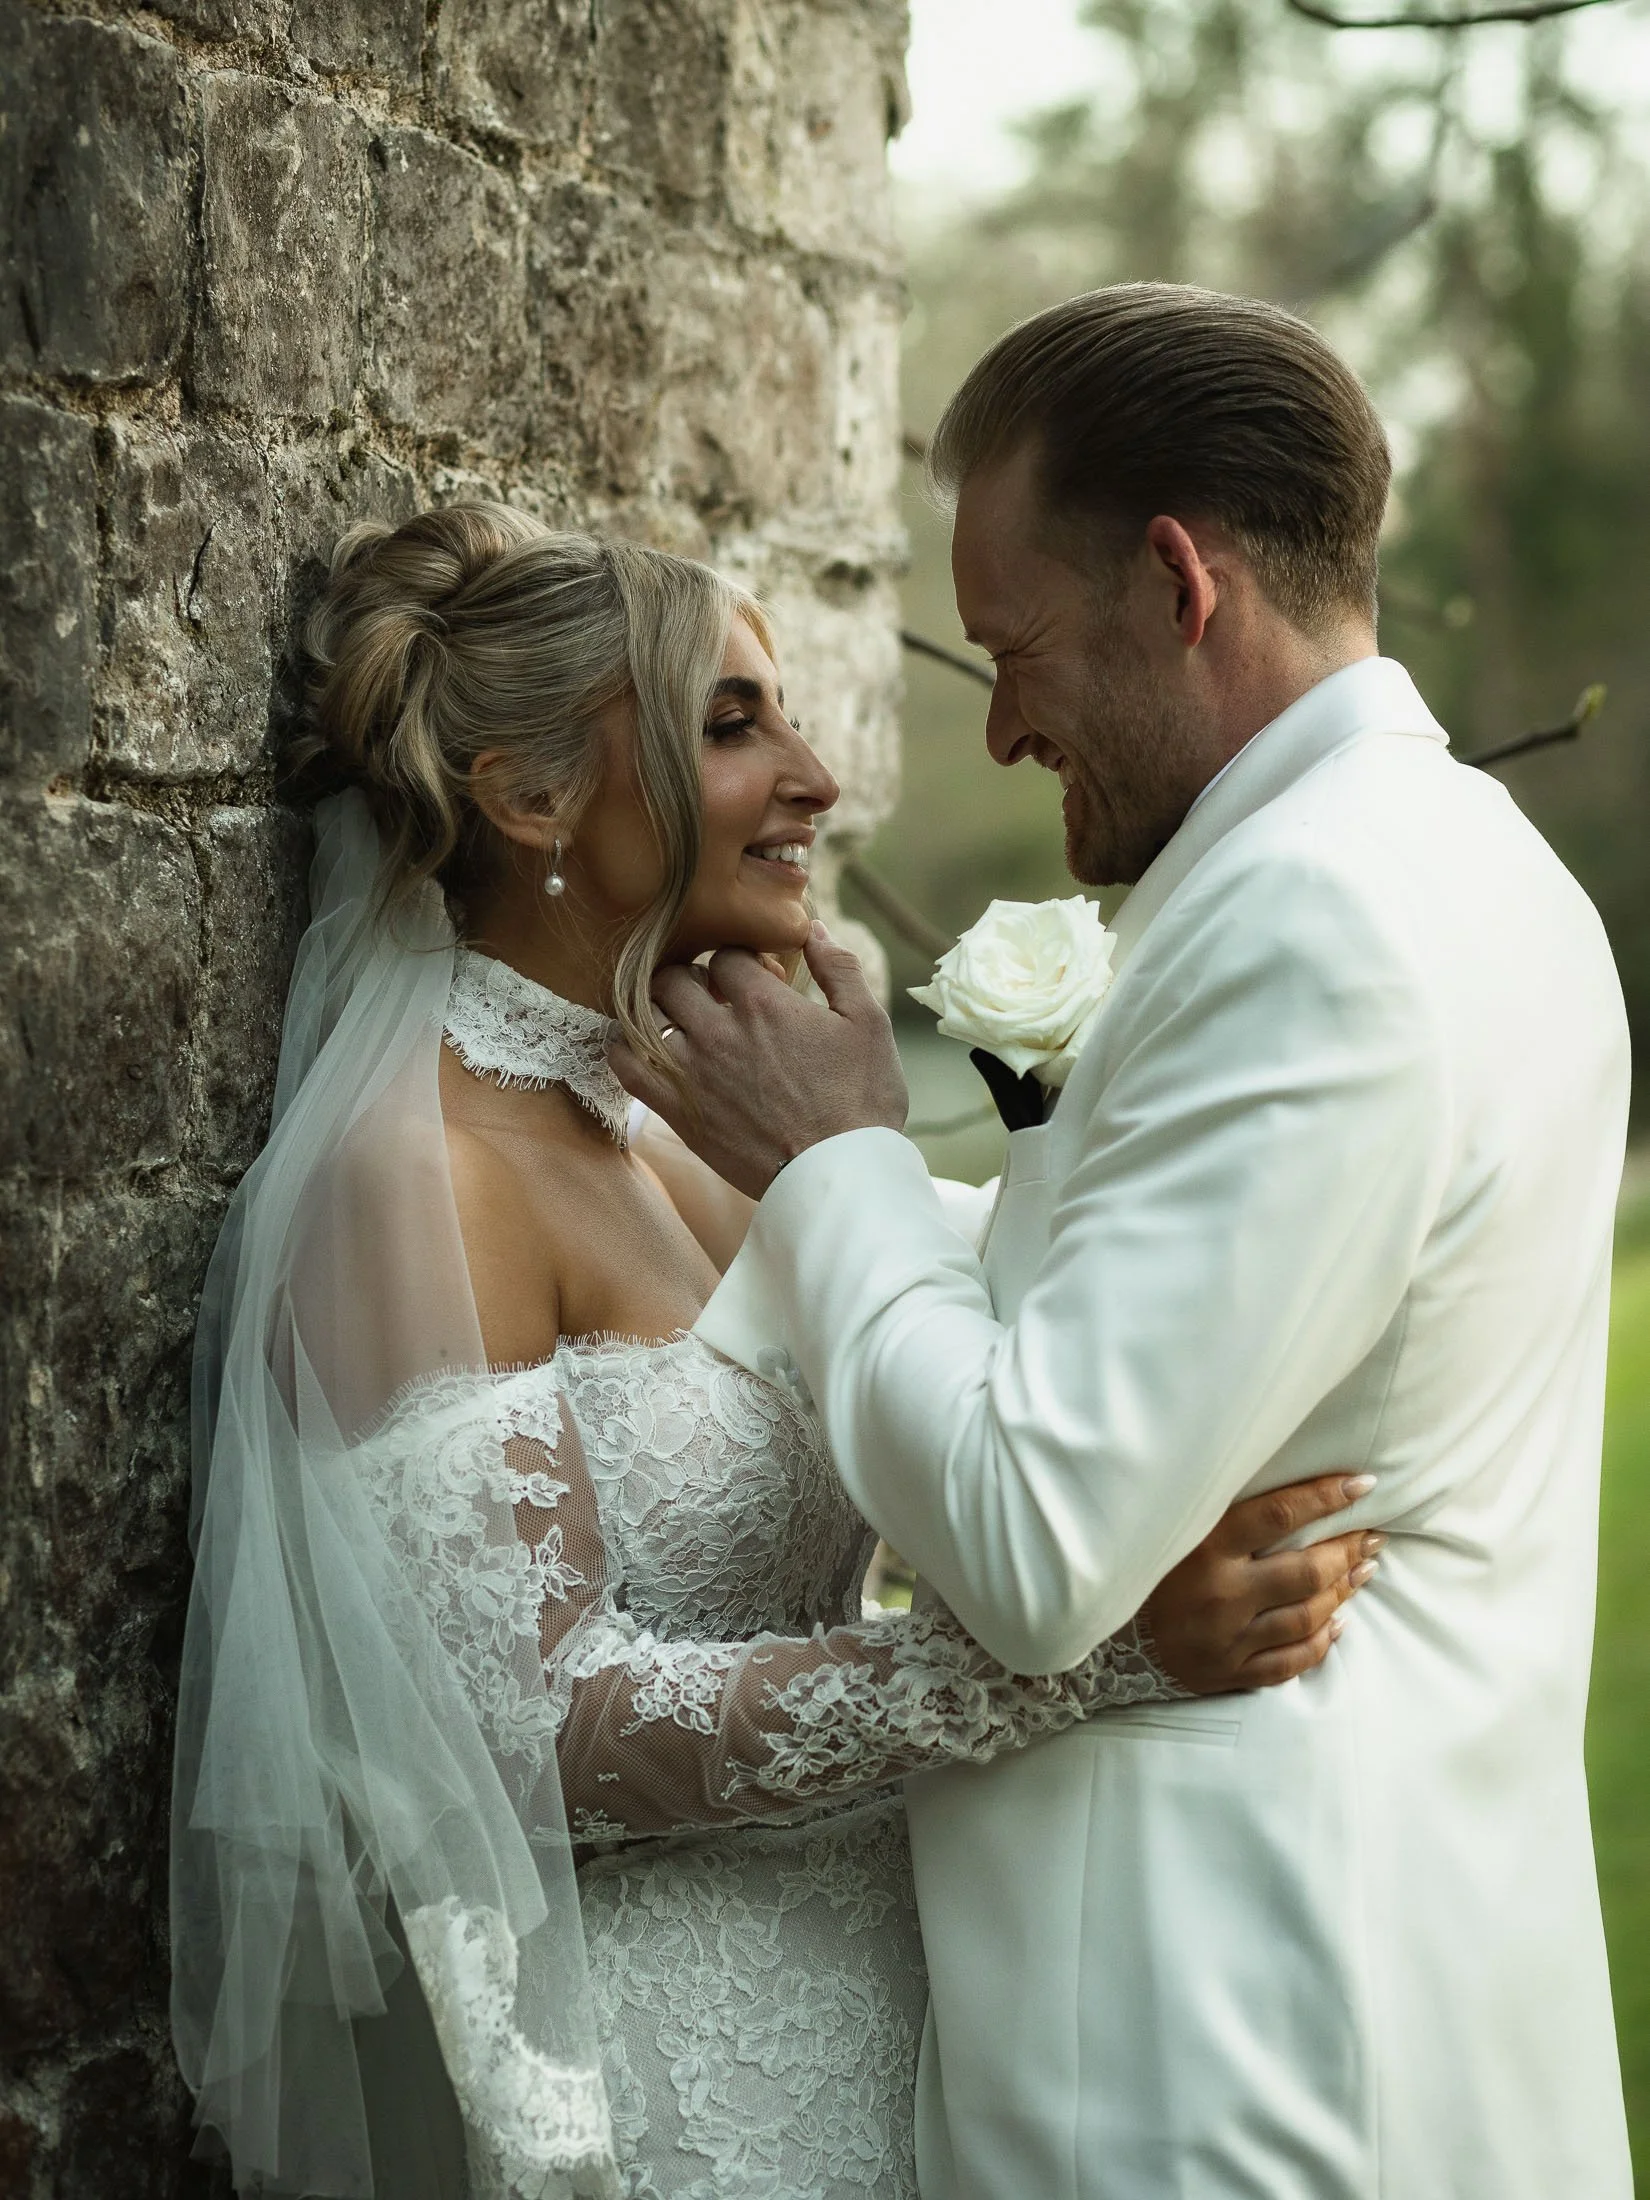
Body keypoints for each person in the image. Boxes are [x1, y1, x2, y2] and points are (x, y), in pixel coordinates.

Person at [171, 503, 1378, 2200]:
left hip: (908, 2001)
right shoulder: (414, 1174)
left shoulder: (686, 1139)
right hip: (682, 2079)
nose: (812, 779)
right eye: (735, 725)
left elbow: (973, 1372)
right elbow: (524, 1738)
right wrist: (1087, 1657)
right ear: (529, 799)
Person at [614, 285, 1635, 2200]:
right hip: (1370, 1971)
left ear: (1179, 583)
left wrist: (837, 1166)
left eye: (1016, 648)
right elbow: (1176, 1295)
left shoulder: (1318, 923)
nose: (1000, 724)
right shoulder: (1469, 867)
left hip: (1216, 2046)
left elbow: (1033, 1545)